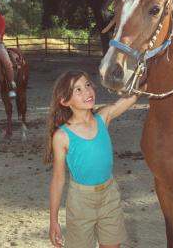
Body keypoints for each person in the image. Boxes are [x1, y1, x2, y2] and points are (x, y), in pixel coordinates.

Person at [44, 70, 138, 248]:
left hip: (110, 196)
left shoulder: (103, 117)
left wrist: (145, 76)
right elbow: (57, 179)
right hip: (81, 201)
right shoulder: (62, 136)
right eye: (77, 90)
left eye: (87, 85)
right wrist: (53, 220)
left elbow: (131, 98)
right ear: (65, 101)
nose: (86, 91)